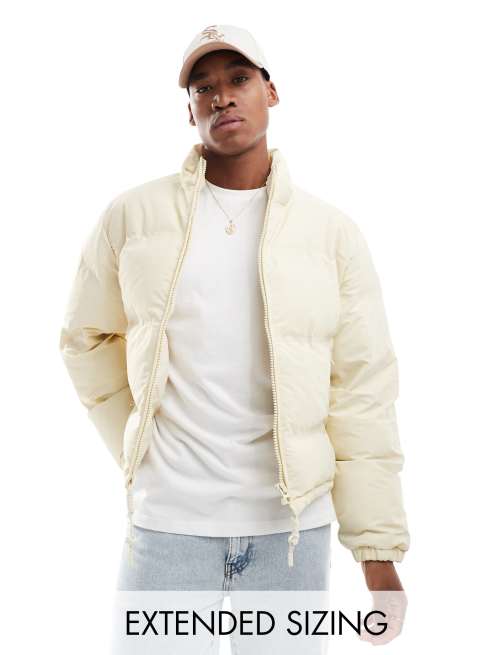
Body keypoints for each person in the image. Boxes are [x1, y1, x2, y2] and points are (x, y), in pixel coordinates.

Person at [59, 24, 410, 652]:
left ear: (271, 92)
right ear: (189, 110)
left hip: (291, 536)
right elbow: (85, 338)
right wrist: (142, 444)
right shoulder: (133, 217)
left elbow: (362, 392)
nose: (221, 96)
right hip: (167, 527)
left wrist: (377, 553)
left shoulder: (331, 235)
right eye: (203, 87)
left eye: (239, 79)